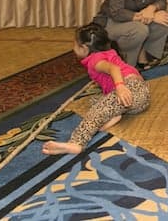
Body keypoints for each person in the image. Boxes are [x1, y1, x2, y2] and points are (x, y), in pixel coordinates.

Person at [42, 23, 150, 155]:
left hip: (130, 88)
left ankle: (76, 143)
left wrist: (120, 86)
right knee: (96, 101)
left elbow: (114, 69)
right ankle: (114, 115)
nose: (73, 48)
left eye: (75, 44)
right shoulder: (109, 52)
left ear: (84, 48)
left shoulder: (95, 60)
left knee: (96, 111)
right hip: (140, 96)